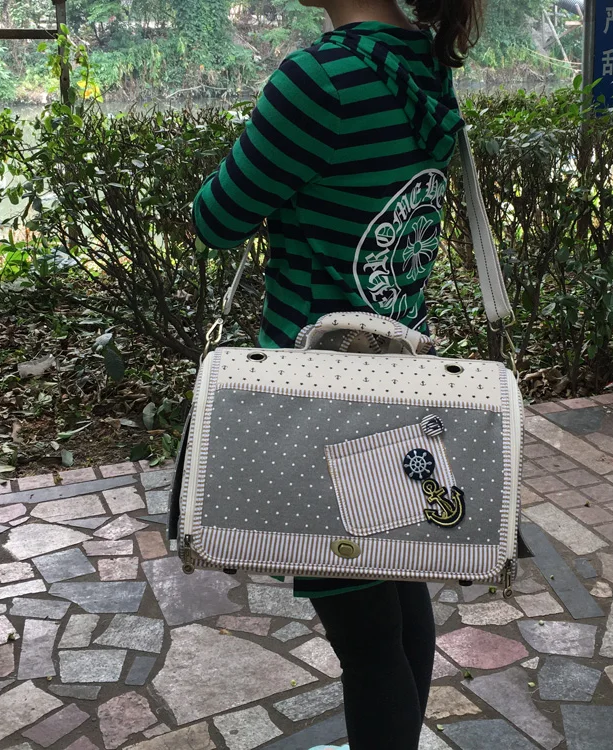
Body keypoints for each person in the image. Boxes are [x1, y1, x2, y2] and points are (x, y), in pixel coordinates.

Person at [192, 1, 483, 747]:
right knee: (395, 591)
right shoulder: (422, 61)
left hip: (318, 400)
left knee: (365, 637)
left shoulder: (320, 79)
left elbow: (216, 219)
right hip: (398, 380)